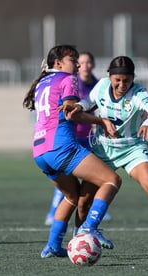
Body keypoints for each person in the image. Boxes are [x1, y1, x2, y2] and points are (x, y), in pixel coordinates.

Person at [62, 56, 148, 255]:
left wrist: (147, 122)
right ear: (110, 77)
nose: (121, 84)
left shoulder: (138, 93)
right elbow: (88, 101)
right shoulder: (102, 86)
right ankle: (78, 242)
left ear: (132, 79)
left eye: (126, 80)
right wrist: (79, 107)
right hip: (103, 150)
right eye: (117, 80)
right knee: (84, 200)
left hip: (132, 150)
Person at [23, 45, 122, 258]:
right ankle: (90, 227)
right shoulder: (68, 79)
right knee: (111, 180)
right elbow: (71, 113)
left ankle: (52, 245)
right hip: (61, 146)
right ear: (58, 63)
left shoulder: (42, 82)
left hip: (39, 151)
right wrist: (100, 121)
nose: (77, 64)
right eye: (72, 60)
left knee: (71, 196)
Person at [44, 51, 112, 226]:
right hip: (70, 138)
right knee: (73, 182)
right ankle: (54, 211)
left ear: (93, 65)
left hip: (88, 136)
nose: (84, 66)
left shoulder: (97, 84)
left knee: (91, 177)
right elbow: (68, 111)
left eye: (88, 62)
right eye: (80, 62)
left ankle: (93, 210)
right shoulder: (72, 81)